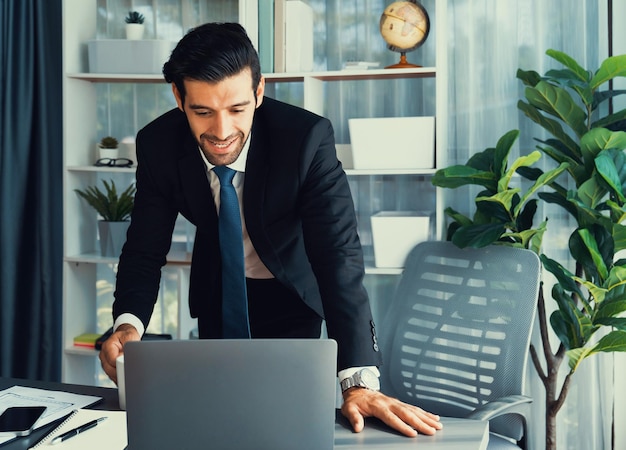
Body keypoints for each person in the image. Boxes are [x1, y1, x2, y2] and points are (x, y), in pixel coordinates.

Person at [99, 22, 442, 438]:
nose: (221, 132)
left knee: (284, 422)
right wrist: (127, 324)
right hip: (218, 288)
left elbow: (338, 256)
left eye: (237, 109)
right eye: (202, 111)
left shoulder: (305, 140)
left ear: (259, 92)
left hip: (289, 290)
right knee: (218, 415)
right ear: (179, 98)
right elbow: (143, 249)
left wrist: (356, 381)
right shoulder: (158, 144)